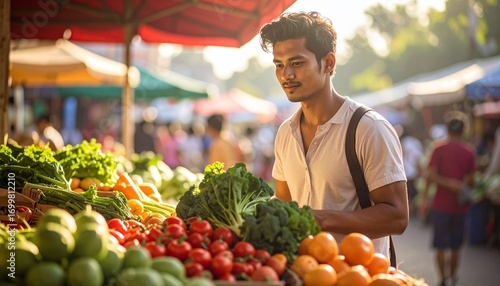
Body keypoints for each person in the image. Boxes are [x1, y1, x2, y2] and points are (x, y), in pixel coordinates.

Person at [259, 11, 408, 259]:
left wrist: (319, 218)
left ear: (328, 63)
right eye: (279, 65)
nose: (286, 75)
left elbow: (397, 217)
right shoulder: (286, 132)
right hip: (302, 272)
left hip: (357, 276)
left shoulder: (368, 128)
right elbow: (284, 203)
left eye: (297, 63)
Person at [419, 112, 476, 286]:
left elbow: (430, 176)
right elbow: (472, 181)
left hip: (440, 206)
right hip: (460, 207)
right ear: (464, 130)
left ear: (448, 129)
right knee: (456, 246)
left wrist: (424, 200)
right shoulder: (469, 152)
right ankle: (452, 278)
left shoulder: (438, 148)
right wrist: (457, 184)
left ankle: (442, 279)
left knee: (440, 246)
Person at [400, 125, 424, 215]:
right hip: (413, 173)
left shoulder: (401, 142)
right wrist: (420, 170)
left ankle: (406, 210)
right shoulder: (415, 142)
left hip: (402, 172)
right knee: (413, 194)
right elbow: (417, 158)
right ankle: (410, 211)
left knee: (406, 194)